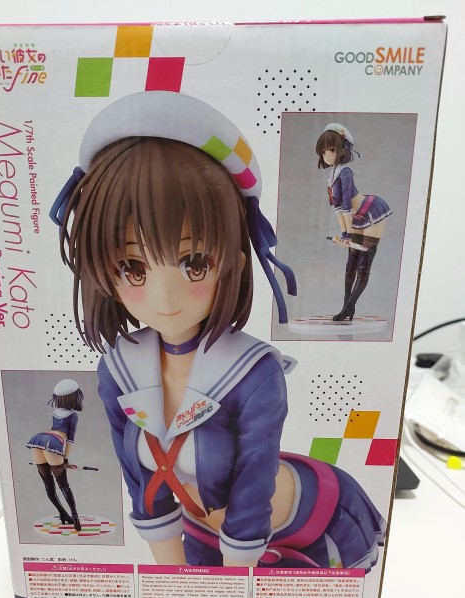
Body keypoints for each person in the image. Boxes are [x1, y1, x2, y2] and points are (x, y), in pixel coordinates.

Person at [52, 91, 386, 568]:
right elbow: (141, 485)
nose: (164, 299)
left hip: (304, 526)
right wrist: (171, 580)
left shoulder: (253, 372)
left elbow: (252, 486)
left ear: (233, 260)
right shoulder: (119, 369)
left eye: (194, 263)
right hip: (203, 533)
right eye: (132, 267)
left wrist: (230, 585)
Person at [316, 123, 392, 321]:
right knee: (351, 265)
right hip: (354, 219)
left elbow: (347, 205)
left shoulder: (345, 172)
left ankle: (349, 307)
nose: (326, 155)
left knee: (363, 266)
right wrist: (345, 234)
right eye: (323, 151)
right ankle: (346, 306)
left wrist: (348, 234)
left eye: (331, 150)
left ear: (342, 150)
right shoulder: (331, 175)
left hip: (370, 212)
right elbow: (337, 208)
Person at [27, 379, 83, 531]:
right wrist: (65, 459)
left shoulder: (56, 412)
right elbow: (70, 440)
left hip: (38, 439)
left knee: (48, 486)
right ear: (75, 397)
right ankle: (75, 518)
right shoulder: (73, 415)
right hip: (53, 443)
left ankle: (63, 513)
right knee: (64, 485)